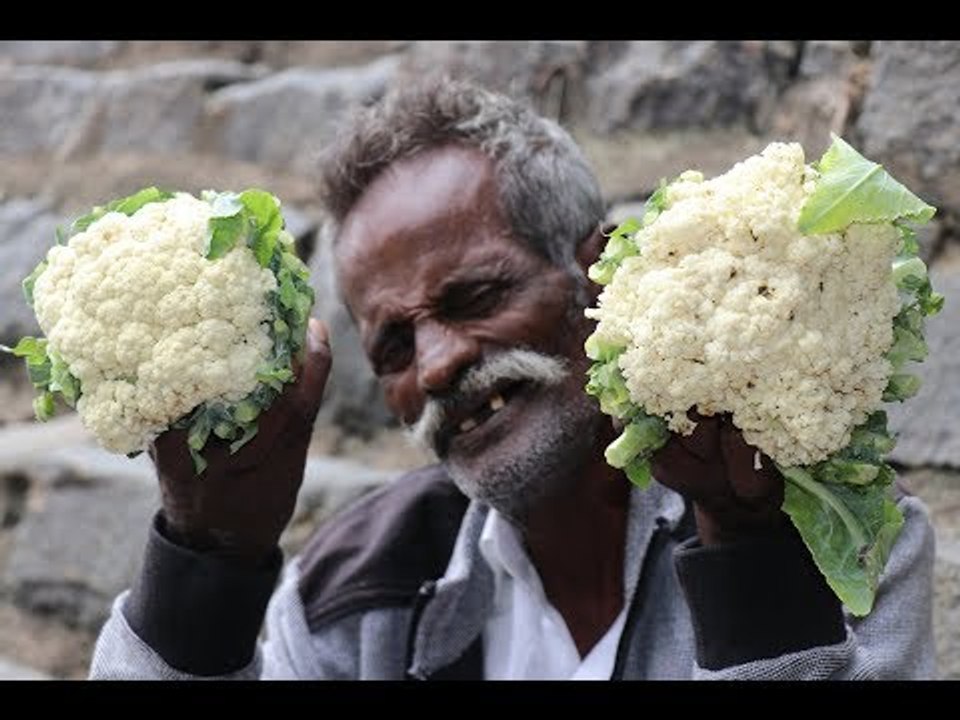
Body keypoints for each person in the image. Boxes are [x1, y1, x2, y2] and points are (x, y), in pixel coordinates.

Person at [89, 78, 936, 680]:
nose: (438, 364)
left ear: (598, 277)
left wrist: (751, 553)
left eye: (476, 296)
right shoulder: (344, 599)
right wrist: (206, 560)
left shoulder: (838, 538)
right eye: (392, 348)